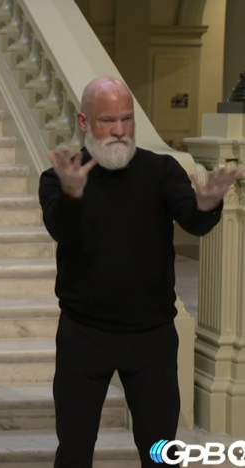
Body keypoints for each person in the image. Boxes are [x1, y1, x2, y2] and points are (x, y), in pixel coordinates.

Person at [39, 76, 243, 467]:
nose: (119, 131)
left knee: (160, 453)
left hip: (151, 338)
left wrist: (207, 204)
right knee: (75, 450)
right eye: (108, 120)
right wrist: (71, 195)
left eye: (127, 119)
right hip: (84, 336)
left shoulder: (161, 171)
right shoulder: (60, 178)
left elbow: (194, 220)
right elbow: (60, 230)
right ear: (84, 122)